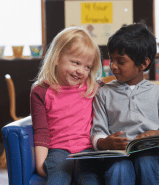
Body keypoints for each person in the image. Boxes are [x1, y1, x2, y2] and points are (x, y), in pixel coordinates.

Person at [91, 22, 159, 185]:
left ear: (143, 63)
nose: (113, 66)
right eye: (111, 60)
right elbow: (98, 130)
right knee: (119, 169)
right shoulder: (103, 93)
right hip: (118, 155)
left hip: (152, 154)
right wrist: (104, 142)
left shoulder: (158, 93)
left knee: (146, 160)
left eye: (120, 61)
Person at [30, 27, 103, 185]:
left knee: (89, 179)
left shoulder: (93, 86)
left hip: (87, 150)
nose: (81, 71)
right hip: (58, 150)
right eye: (76, 63)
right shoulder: (41, 91)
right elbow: (41, 131)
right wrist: (40, 164)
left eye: (87, 67)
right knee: (58, 178)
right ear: (57, 57)